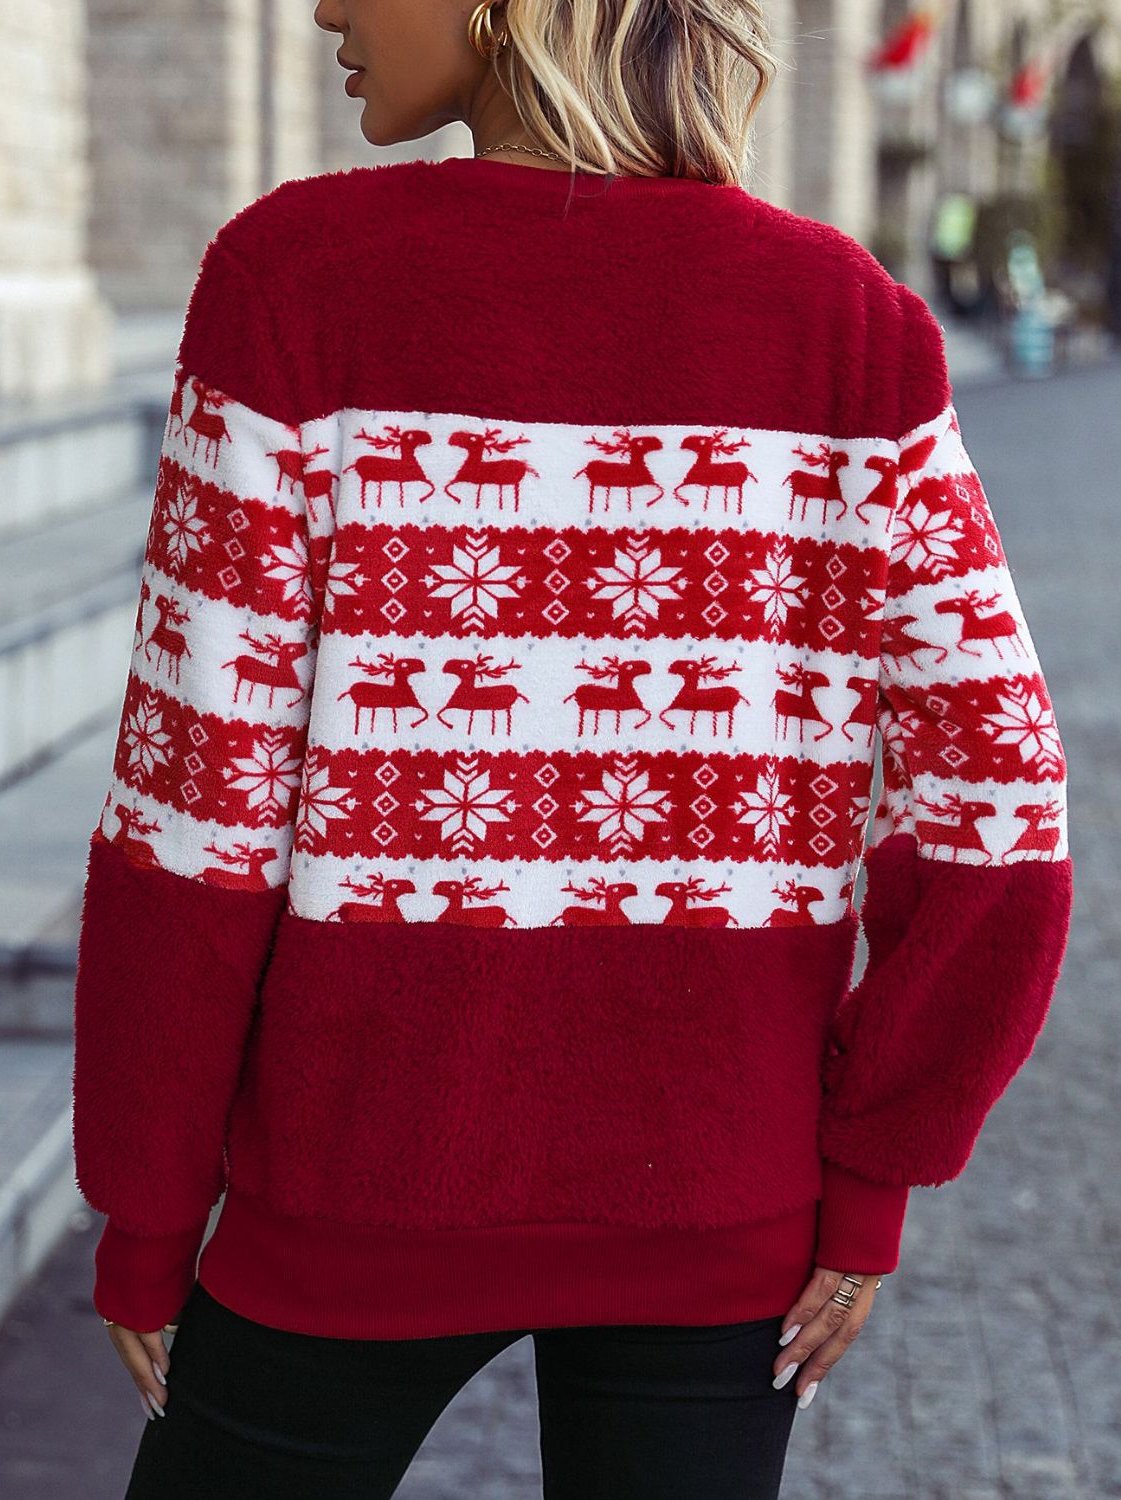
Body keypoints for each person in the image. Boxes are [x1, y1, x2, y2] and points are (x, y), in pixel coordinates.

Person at [70, 2, 1074, 1496]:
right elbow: (994, 802)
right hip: (724, 1209)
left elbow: (192, 811)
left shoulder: (296, 280)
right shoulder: (846, 323)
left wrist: (151, 1209)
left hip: (355, 1196)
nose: (328, 11)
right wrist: (866, 1182)